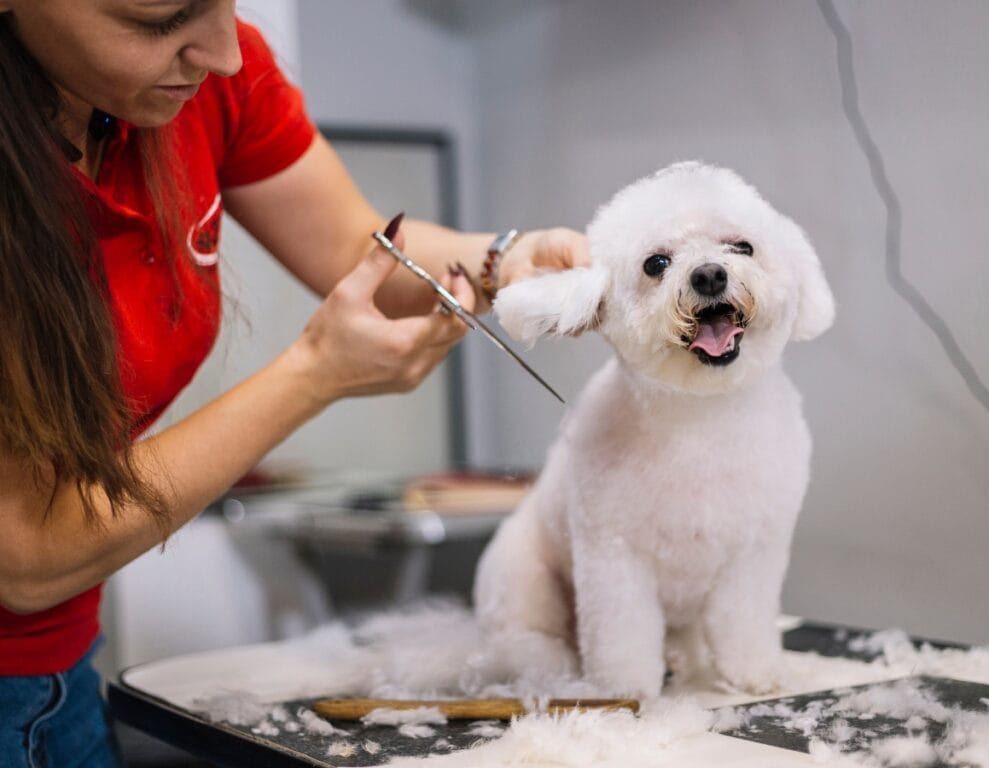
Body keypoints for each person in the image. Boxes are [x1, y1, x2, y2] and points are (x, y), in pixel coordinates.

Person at [0, 1, 589, 764]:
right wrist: (312, 376)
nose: (226, 53)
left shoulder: (204, 82)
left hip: (64, 668)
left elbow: (359, 247)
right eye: (160, 20)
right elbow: (31, 555)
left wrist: (504, 260)